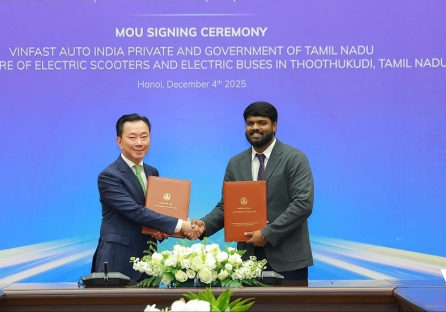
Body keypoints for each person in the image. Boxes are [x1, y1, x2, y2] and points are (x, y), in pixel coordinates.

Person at [191, 102, 314, 282]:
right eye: (250, 123)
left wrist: (267, 234)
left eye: (262, 123)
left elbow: (303, 204)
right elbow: (227, 206)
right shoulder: (236, 163)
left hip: (288, 260)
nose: (255, 128)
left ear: (274, 126)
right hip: (246, 260)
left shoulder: (294, 158)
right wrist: (204, 224)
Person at [91, 113, 196, 282]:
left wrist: (159, 232)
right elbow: (136, 212)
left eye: (144, 137)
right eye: (132, 137)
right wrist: (180, 225)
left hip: (148, 262)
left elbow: (153, 213)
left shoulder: (152, 172)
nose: (139, 143)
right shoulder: (109, 176)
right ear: (119, 141)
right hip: (117, 261)